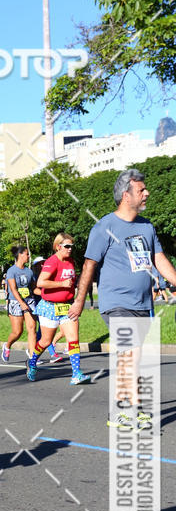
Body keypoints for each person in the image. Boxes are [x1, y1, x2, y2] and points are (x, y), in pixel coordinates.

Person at [72, 168, 176, 427]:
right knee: (130, 352)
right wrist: (79, 300)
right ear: (126, 195)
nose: (147, 193)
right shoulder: (105, 226)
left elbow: (158, 259)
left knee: (135, 357)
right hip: (116, 303)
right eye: (141, 190)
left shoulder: (146, 226)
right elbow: (88, 265)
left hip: (143, 303)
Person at [26, 233, 90, 385]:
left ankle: (76, 374)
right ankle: (32, 361)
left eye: (71, 247)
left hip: (67, 306)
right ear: (58, 246)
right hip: (50, 307)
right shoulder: (51, 262)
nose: (70, 249)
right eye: (67, 246)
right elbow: (41, 282)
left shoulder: (71, 261)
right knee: (46, 340)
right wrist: (61, 284)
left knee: (73, 339)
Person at [1, 246, 37, 362]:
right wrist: (21, 303)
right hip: (16, 302)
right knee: (18, 332)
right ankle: (7, 346)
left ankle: (32, 357)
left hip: (29, 301)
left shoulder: (29, 271)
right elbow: (13, 289)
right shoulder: (12, 271)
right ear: (20, 255)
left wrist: (48, 295)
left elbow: (34, 289)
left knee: (32, 328)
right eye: (27, 254)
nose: (28, 256)